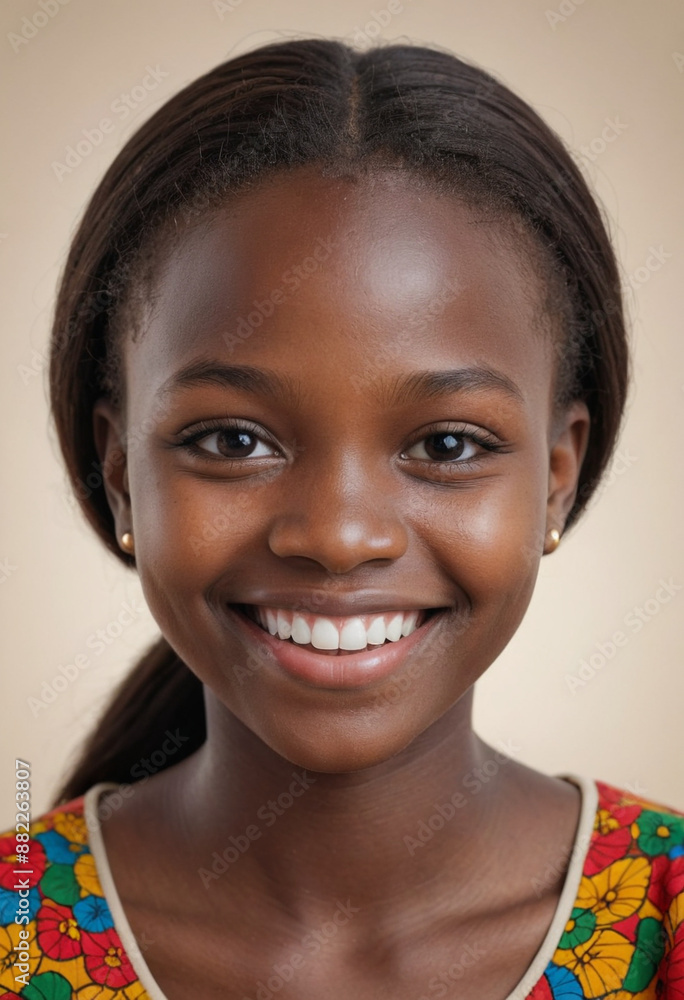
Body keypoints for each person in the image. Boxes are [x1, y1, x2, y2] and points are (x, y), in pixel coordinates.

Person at [1, 36, 682, 1000]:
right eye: (234, 441)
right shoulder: (16, 929)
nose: (337, 534)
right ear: (120, 475)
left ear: (558, 479)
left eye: (445, 446)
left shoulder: (663, 914)